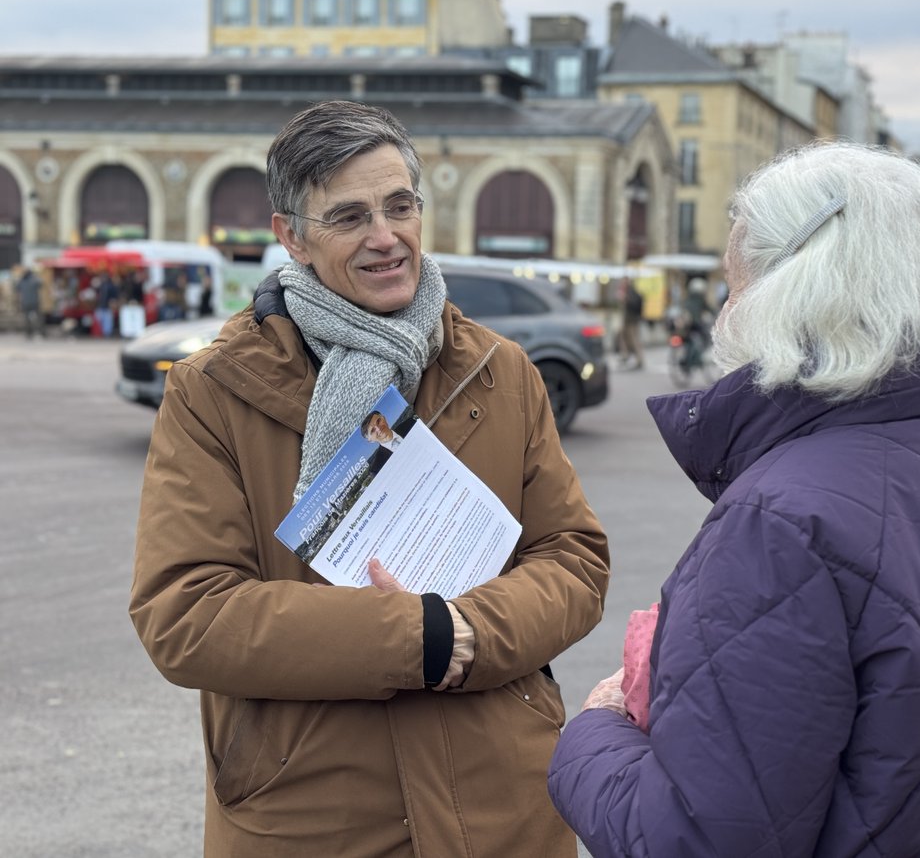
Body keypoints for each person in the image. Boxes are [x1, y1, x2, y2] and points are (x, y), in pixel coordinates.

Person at [548, 142, 920, 857]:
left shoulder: (778, 521)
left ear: (786, 294)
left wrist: (593, 733)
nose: (725, 313)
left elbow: (700, 841)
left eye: (734, 286)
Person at [129, 99, 610, 858]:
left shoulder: (499, 369)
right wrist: (411, 637)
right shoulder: (214, 390)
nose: (386, 238)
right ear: (291, 236)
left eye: (399, 206)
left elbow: (574, 562)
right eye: (349, 217)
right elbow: (186, 615)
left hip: (504, 804)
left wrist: (473, 631)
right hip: (312, 817)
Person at [616, 278, 644, 369]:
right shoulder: (630, 292)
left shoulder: (631, 293)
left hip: (632, 320)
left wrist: (625, 299)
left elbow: (633, 305)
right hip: (628, 320)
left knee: (634, 340)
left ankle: (639, 359)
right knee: (623, 336)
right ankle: (625, 354)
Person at [16, 266, 45, 339]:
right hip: (34, 302)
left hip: (26, 302)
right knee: (38, 318)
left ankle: (29, 333)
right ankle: (40, 333)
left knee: (27, 319)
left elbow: (16, 287)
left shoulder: (22, 280)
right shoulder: (34, 279)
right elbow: (41, 283)